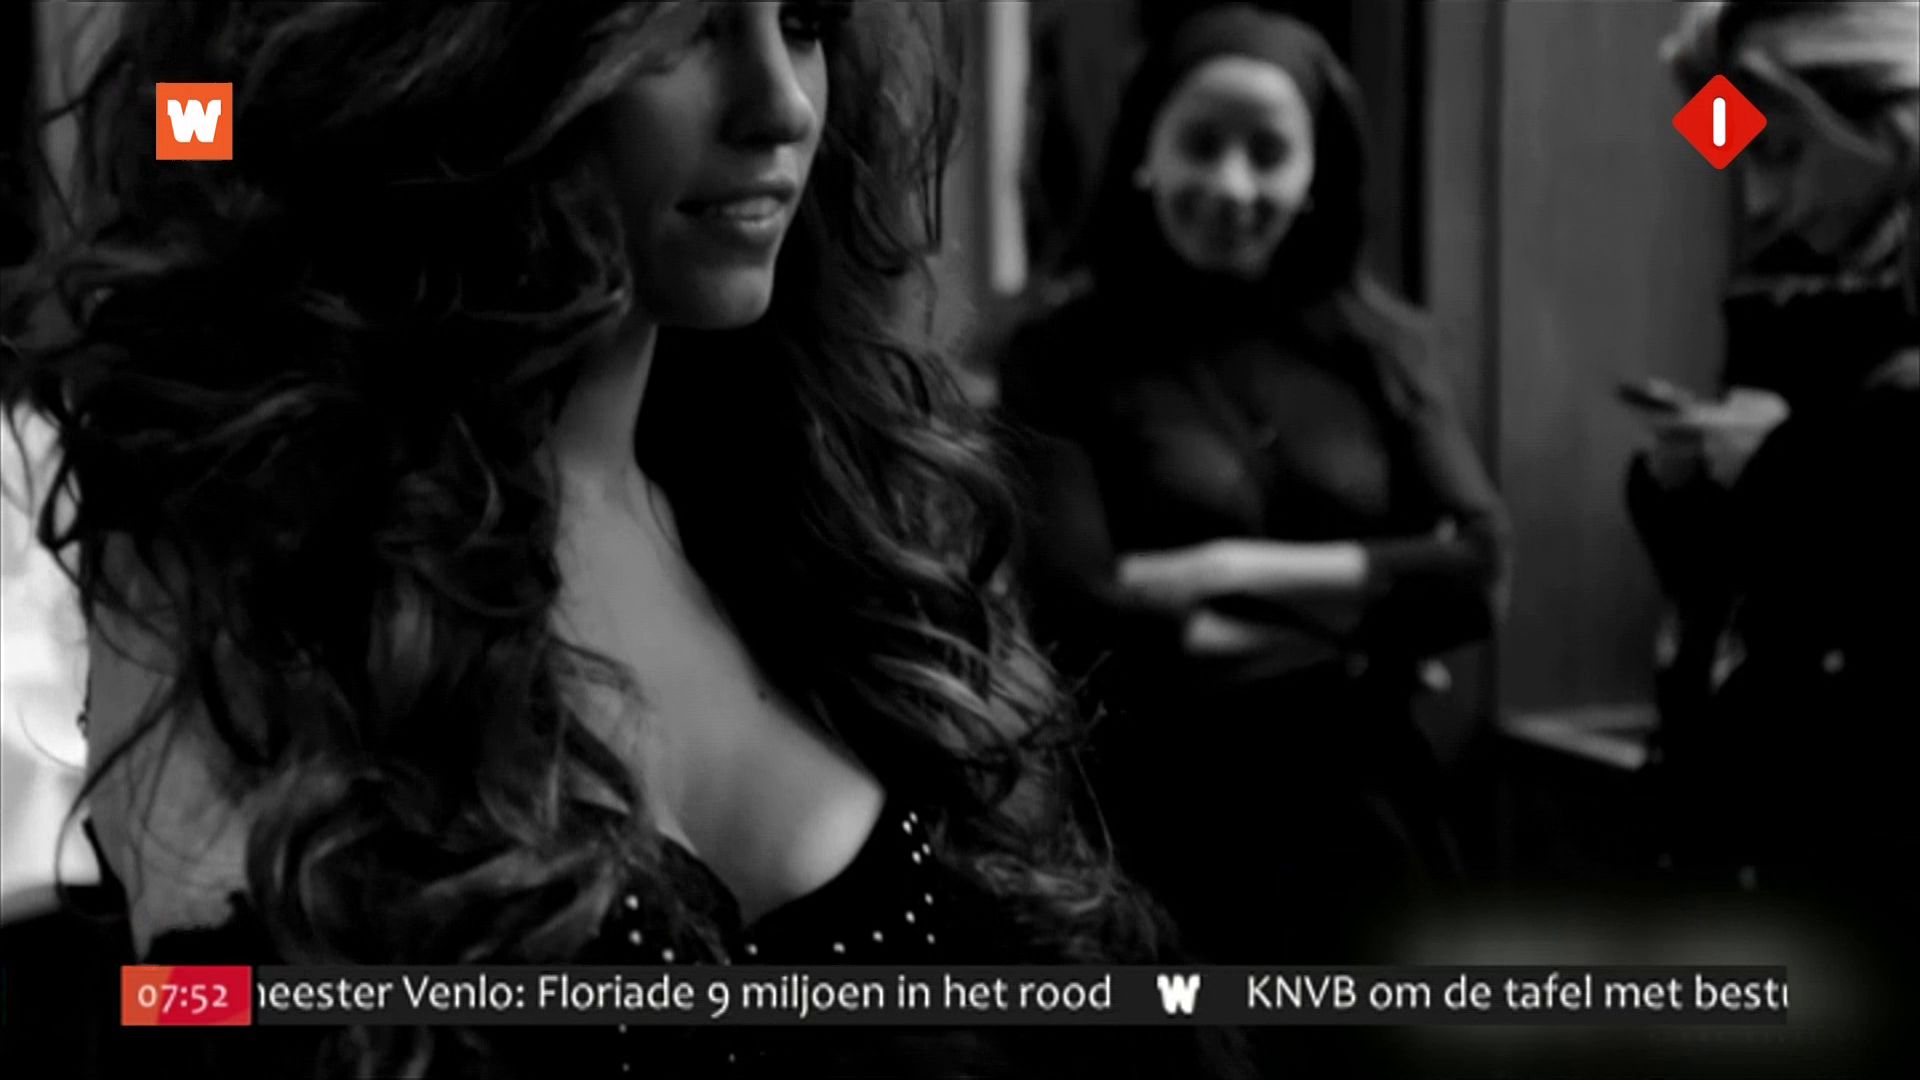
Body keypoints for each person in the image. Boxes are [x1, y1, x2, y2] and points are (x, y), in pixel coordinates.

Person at [1, 4, 1244, 1077]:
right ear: (473, 54)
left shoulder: (836, 512)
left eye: (804, 22)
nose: (780, 106)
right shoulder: (241, 546)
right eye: (681, 29)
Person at [998, 2, 1509, 985]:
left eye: (1269, 152)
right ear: (1145, 152)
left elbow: (1481, 571)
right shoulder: (1058, 355)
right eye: (1202, 144)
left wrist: (1220, 569)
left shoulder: (1384, 348)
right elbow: (1081, 614)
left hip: (1373, 839)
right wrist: (1361, 629)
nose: (1233, 185)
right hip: (1158, 836)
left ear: (1316, 172)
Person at [1630, 0, 1919, 929]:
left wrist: (1779, 465)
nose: (1758, 202)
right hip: (1751, 814)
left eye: (1784, 155)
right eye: (1743, 160)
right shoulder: (1792, 270)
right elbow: (1741, 570)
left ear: (1893, 126)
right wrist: (1681, 483)